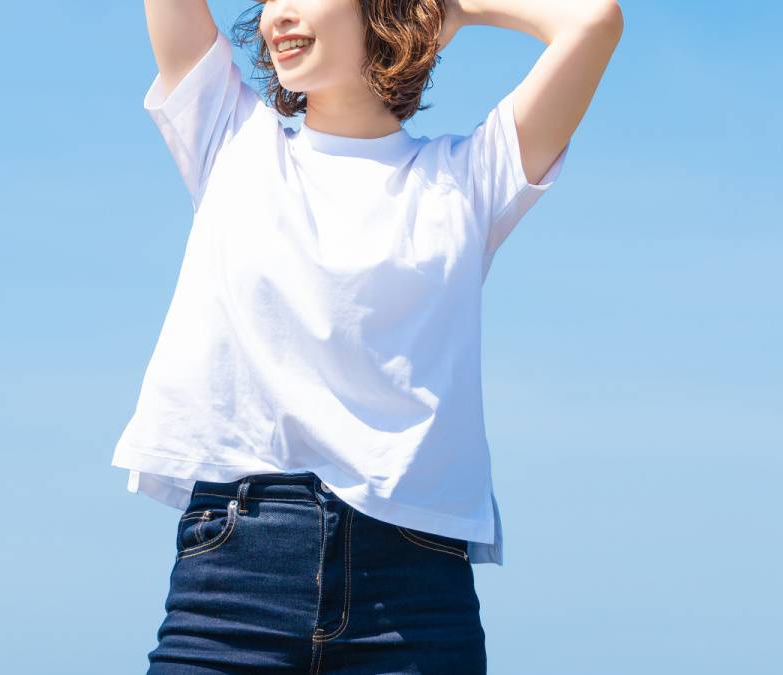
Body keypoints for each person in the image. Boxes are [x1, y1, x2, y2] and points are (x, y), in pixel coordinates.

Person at [111, 1, 622, 672]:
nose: (277, 15)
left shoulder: (468, 180)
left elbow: (592, 20)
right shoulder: (229, 136)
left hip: (415, 593)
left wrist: (446, 9)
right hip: (235, 578)